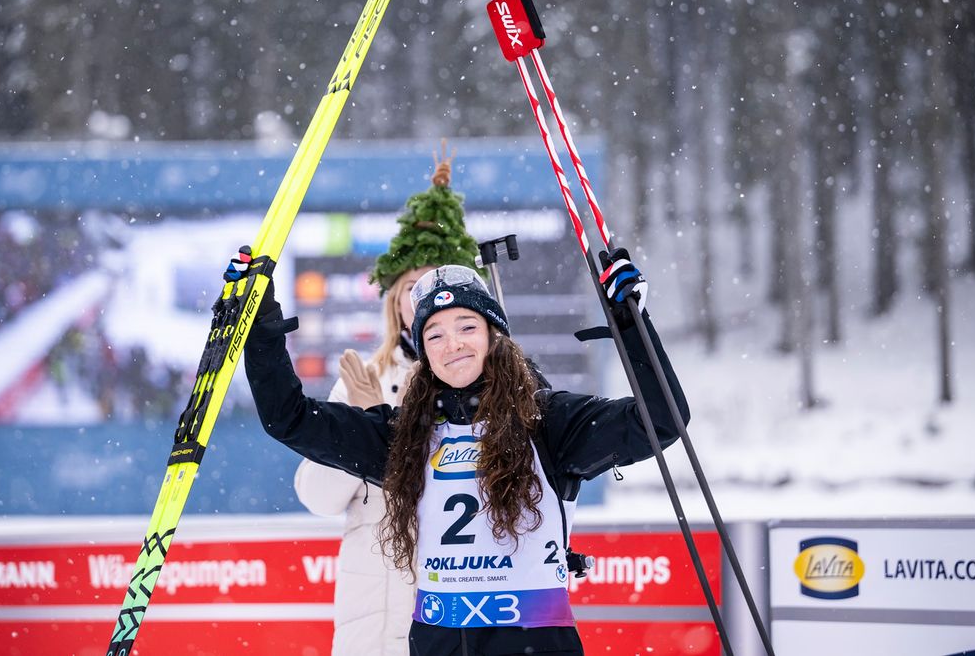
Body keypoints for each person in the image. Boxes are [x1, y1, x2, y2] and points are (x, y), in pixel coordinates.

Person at [243, 249, 688, 655]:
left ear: (495, 337)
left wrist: (631, 324)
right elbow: (289, 418)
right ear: (424, 354)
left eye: (467, 327)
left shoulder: (546, 420)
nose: (452, 344)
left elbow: (662, 420)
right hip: (439, 643)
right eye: (434, 335)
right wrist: (261, 326)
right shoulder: (406, 436)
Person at [293, 152, 481, 656]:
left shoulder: (495, 382)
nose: (425, 300)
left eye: (438, 284)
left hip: (463, 603)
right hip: (372, 614)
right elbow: (318, 498)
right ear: (394, 301)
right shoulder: (366, 375)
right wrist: (358, 421)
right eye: (412, 288)